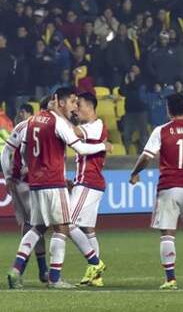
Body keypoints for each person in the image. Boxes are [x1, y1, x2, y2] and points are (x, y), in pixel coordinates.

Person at [7, 88, 109, 289]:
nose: (74, 106)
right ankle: (56, 277)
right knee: (62, 227)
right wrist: (103, 147)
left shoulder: (32, 121)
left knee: (37, 227)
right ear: (60, 102)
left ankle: (16, 268)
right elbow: (80, 148)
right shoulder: (58, 123)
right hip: (54, 183)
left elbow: (24, 150)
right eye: (72, 101)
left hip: (35, 183)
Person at [129, 93, 183, 289]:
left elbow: (146, 156)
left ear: (168, 109)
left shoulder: (162, 131)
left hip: (168, 187)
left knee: (167, 234)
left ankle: (171, 279)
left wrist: (135, 172)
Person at [0, 103, 47, 284]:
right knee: (38, 227)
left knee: (29, 228)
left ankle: (38, 272)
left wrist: (8, 176)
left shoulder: (19, 128)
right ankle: (20, 271)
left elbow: (6, 153)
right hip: (30, 185)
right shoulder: (40, 129)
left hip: (17, 184)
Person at [69, 92, 108, 287]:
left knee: (67, 222)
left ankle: (95, 262)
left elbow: (74, 133)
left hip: (88, 182)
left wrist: (57, 117)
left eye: (79, 105)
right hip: (89, 182)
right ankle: (96, 277)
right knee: (87, 229)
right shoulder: (90, 127)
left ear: (90, 107)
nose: (76, 109)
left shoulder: (96, 125)